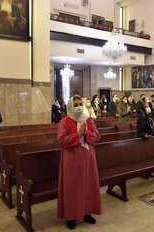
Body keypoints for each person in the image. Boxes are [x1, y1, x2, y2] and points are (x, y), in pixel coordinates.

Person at [57, 95, 101, 230]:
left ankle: (86, 212)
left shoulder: (88, 120)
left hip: (88, 158)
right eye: (75, 105)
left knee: (88, 184)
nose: (78, 106)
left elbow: (97, 136)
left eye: (79, 104)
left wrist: (86, 132)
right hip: (72, 159)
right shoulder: (64, 122)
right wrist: (78, 134)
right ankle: (71, 216)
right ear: (70, 107)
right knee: (73, 187)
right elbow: (62, 141)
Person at [137, 101, 154, 179]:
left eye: (148, 106)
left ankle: (149, 171)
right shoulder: (141, 118)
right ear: (143, 108)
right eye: (147, 106)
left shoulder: (149, 116)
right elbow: (139, 131)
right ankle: (144, 173)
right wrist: (144, 135)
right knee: (146, 158)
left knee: (151, 157)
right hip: (144, 141)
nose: (148, 108)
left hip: (151, 139)